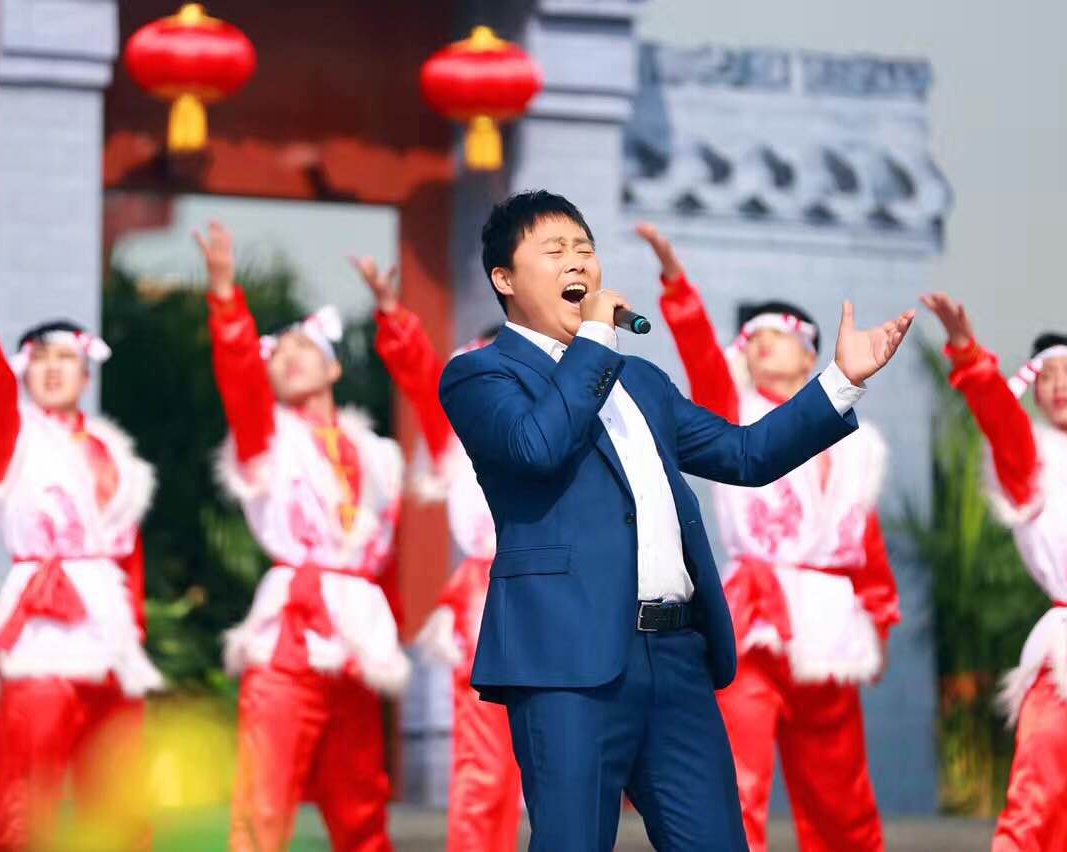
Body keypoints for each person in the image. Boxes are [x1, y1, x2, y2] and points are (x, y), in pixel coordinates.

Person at [438, 190, 914, 850]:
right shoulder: (480, 375)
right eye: (555, 251)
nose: (577, 262)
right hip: (568, 662)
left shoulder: (641, 381)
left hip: (676, 655)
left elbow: (745, 454)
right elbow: (537, 447)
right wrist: (596, 340)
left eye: (585, 249)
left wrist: (840, 381)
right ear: (505, 278)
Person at [636, 223, 899, 851]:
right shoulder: (734, 413)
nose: (758, 347)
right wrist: (676, 284)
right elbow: (702, 354)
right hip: (757, 616)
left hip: (830, 626)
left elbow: (864, 542)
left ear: (810, 354)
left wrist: (879, 620)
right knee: (737, 780)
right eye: (750, 340)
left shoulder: (858, 445)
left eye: (773, 337)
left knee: (840, 792)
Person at [0, 256, 161, 851]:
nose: (53, 369)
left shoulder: (113, 452)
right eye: (40, 359)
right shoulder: (12, 438)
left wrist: (134, 635)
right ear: (25, 371)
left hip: (108, 634)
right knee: (29, 793)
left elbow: (128, 560)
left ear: (87, 373)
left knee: (118, 795)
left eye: (66, 359)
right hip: (43, 630)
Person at [194, 223, 407, 852]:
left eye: (302, 346)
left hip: (356, 639)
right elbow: (237, 372)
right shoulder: (265, 438)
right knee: (263, 805)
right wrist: (226, 299)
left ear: (334, 365)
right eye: (277, 351)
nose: (287, 356)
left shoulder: (378, 455)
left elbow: (385, 566)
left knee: (362, 806)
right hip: (289, 636)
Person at [921, 292, 1067, 852]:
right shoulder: (1033, 459)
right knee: (1037, 808)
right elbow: (1001, 420)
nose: (1057, 385)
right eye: (1046, 376)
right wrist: (967, 353)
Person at [352, 255, 521, 852]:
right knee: (484, 762)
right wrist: (393, 313)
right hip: (488, 600)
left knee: (564, 766)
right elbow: (421, 372)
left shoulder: (565, 423)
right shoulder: (453, 433)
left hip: (562, 593)